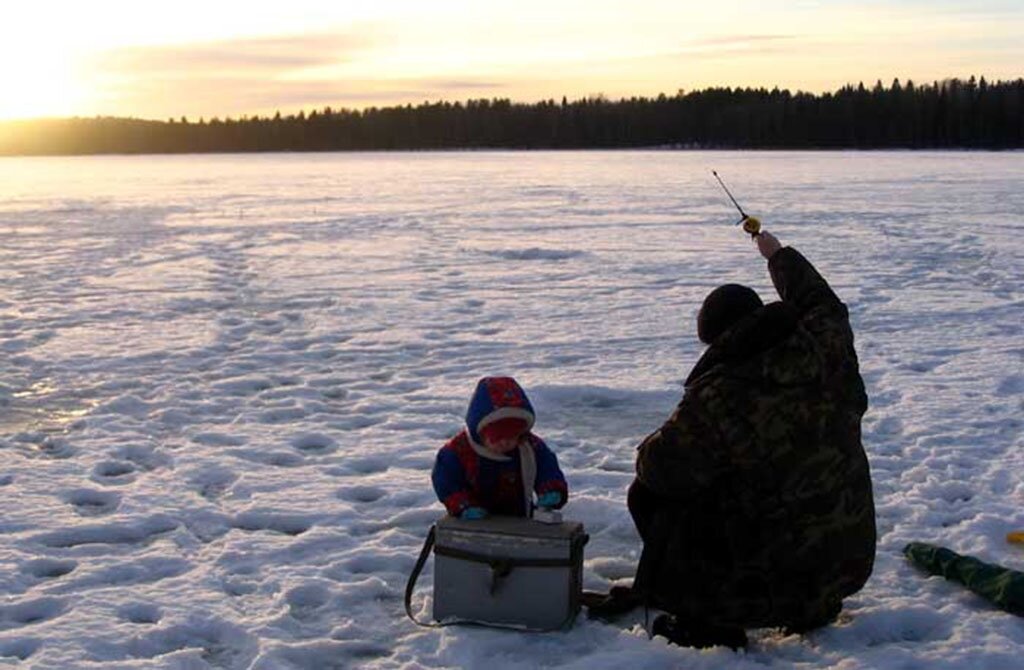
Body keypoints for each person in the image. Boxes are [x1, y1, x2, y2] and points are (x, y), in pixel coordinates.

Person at [627, 231, 876, 649]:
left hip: (776, 581)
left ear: (717, 340)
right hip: (848, 564)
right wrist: (777, 254)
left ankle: (708, 621)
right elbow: (819, 298)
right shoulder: (826, 343)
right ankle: (813, 603)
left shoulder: (720, 395)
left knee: (652, 494)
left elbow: (657, 467)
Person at [432, 376, 567, 519]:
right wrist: (463, 505)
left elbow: (547, 467)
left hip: (518, 516)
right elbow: (447, 482)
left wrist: (551, 489)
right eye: (497, 438)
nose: (505, 443)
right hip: (473, 521)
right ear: (481, 432)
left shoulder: (529, 447)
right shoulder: (458, 452)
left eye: (511, 437)